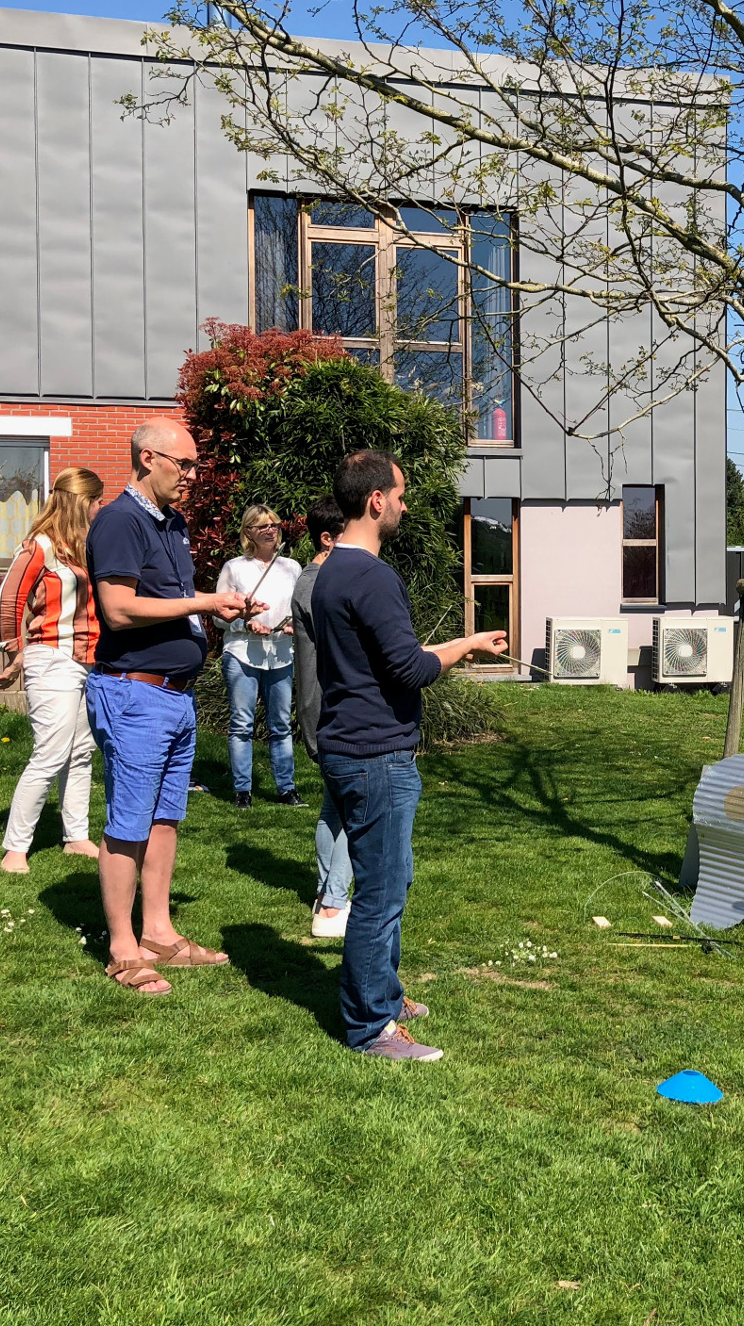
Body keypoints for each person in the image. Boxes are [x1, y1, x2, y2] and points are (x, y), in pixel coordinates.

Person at [314, 450, 508, 1061]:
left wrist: (464, 642)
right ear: (375, 501)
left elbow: (386, 658)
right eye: (399, 495)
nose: (404, 505)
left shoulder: (330, 572)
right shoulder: (372, 576)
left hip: (352, 746)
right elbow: (409, 668)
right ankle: (372, 1026)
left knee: (387, 881)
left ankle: (384, 993)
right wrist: (453, 655)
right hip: (376, 756)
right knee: (381, 892)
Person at [86, 418, 254, 996]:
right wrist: (207, 599)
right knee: (129, 822)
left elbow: (169, 602)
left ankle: (157, 931)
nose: (191, 476)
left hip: (173, 697)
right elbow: (118, 608)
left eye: (193, 465)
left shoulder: (172, 524)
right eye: (183, 465)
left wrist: (209, 612)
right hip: (134, 692)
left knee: (164, 819)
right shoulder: (119, 521)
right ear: (147, 458)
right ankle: (122, 948)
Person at [0, 467, 106, 874]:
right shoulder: (40, 546)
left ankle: (76, 837)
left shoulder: (86, 547)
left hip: (90, 661)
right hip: (52, 658)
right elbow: (9, 600)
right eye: (96, 500)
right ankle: (16, 847)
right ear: (80, 502)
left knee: (81, 754)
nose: (100, 507)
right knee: (50, 753)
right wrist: (13, 652)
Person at [216, 504, 305, 809]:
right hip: (242, 653)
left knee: (281, 724)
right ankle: (243, 791)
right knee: (242, 724)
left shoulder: (292, 567)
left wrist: (295, 624)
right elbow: (218, 616)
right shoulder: (234, 568)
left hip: (281, 652)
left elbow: (299, 609)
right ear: (248, 533)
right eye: (263, 526)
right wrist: (245, 623)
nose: (271, 530)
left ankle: (287, 789)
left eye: (275, 525)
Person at [292, 495, 352, 939]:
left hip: (320, 706)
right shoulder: (317, 584)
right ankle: (333, 906)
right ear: (328, 539)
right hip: (328, 707)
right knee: (355, 809)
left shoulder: (312, 579)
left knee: (334, 808)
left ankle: (325, 892)